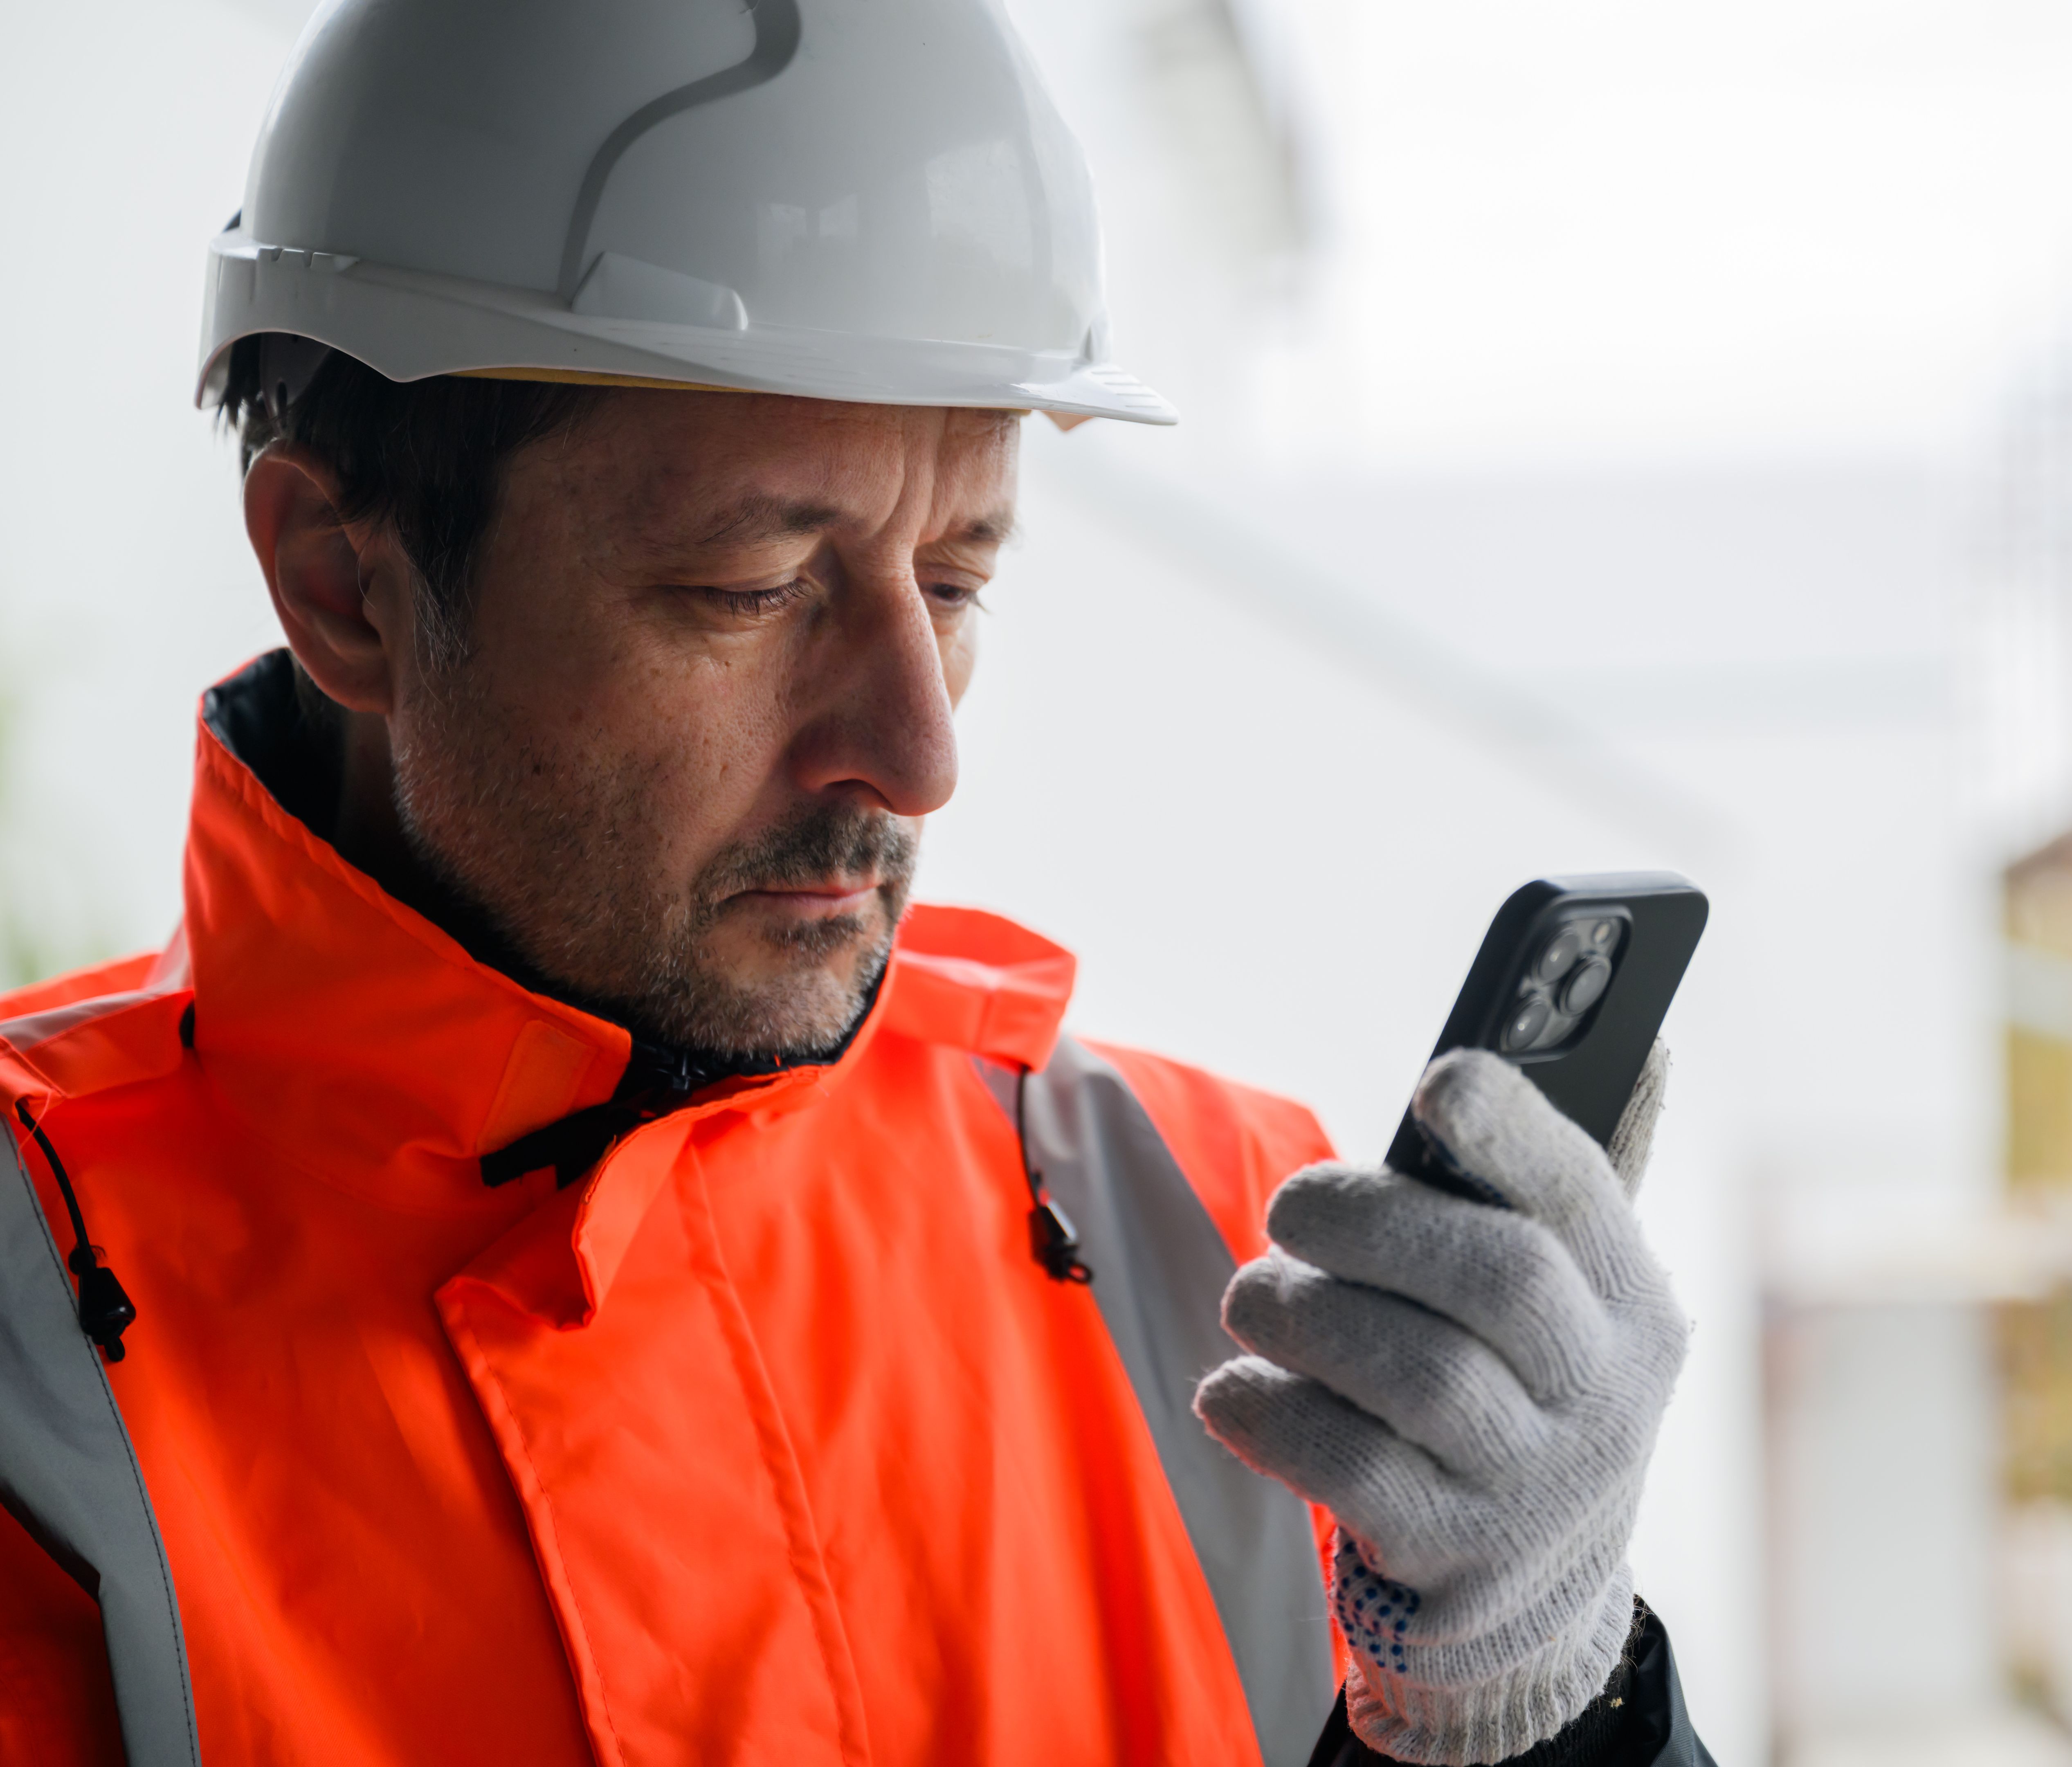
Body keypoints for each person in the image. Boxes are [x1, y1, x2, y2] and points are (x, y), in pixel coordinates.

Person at [0, 4, 1709, 1763]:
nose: (917, 752)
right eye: (750, 588)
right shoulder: (30, 1327)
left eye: (956, 582)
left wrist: (1544, 1720)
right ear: (341, 583)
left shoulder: (1225, 1240)